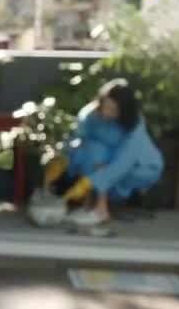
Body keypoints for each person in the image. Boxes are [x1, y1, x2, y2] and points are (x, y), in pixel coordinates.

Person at [42, 78, 164, 226]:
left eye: (113, 110)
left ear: (124, 110)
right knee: (92, 150)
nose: (106, 112)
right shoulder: (90, 115)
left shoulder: (134, 123)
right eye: (105, 106)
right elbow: (76, 141)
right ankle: (89, 207)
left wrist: (90, 182)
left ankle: (101, 210)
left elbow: (124, 161)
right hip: (105, 161)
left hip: (141, 167)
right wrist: (62, 158)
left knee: (98, 155)